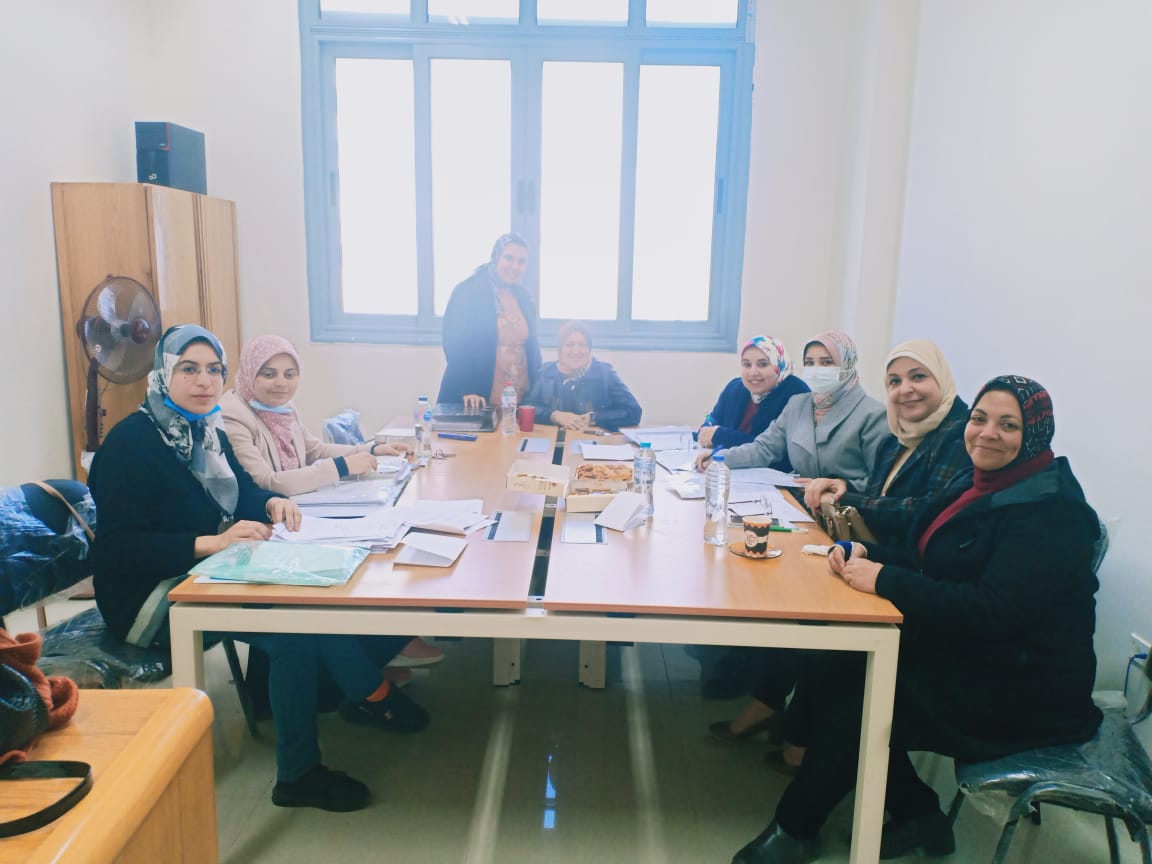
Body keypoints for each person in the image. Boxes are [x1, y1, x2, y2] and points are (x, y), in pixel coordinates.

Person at [731, 375, 1103, 864]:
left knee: (860, 694)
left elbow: (991, 609)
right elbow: (935, 558)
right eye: (979, 418)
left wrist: (884, 579)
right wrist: (866, 552)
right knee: (833, 661)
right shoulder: (981, 482)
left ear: (1034, 434)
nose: (987, 433)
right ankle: (917, 812)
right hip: (977, 650)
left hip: (1023, 686)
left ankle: (796, 827)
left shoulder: (1051, 513)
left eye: (1008, 425)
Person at [88, 324, 431, 813]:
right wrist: (211, 542)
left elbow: (243, 491)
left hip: (208, 569)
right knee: (294, 631)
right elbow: (118, 549)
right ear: (163, 373)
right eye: (189, 369)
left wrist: (270, 504)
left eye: (214, 370)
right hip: (150, 597)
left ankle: (363, 698)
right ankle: (317, 754)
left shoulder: (206, 430)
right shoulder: (130, 444)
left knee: (308, 599)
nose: (204, 381)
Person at [711, 339, 973, 758]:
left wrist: (845, 494)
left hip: (888, 556)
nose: (905, 389)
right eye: (895, 381)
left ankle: (793, 733)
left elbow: (910, 506)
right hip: (834, 530)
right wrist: (718, 458)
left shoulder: (928, 430)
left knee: (810, 615)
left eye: (918, 377)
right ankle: (776, 713)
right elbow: (765, 448)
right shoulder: (892, 430)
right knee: (785, 596)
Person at [220, 334, 443, 672]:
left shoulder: (283, 409)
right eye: (268, 373)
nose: (281, 383)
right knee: (357, 569)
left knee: (374, 551)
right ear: (249, 372)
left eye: (290, 374)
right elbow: (268, 482)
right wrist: (342, 467)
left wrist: (370, 449)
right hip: (267, 526)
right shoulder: (234, 414)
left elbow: (316, 450)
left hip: (299, 516)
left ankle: (375, 654)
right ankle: (368, 660)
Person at [696, 330, 890, 490]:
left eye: (826, 362)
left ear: (847, 364)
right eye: (810, 363)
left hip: (846, 511)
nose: (816, 369)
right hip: (798, 504)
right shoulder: (798, 404)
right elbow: (763, 448)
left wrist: (842, 486)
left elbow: (882, 484)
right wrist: (720, 459)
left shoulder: (874, 415)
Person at [438, 232, 541, 411]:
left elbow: (532, 348)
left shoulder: (524, 297)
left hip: (518, 399)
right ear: (496, 257)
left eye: (521, 261)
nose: (515, 266)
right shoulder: (467, 292)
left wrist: (539, 390)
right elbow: (453, 344)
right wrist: (466, 388)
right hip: (475, 397)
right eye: (509, 258)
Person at [525, 320, 642, 432]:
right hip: (553, 441)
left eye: (582, 345)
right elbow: (525, 407)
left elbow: (633, 411)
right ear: (559, 349)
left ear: (589, 349)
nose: (576, 351)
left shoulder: (605, 373)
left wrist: (594, 418)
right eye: (569, 345)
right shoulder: (546, 372)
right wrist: (554, 415)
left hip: (594, 441)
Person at [697, 335, 809, 451]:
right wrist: (706, 430)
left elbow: (773, 449)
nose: (753, 372)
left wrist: (721, 436)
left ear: (779, 365)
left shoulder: (797, 393)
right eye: (747, 364)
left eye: (762, 364)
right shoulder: (735, 388)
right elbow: (714, 419)